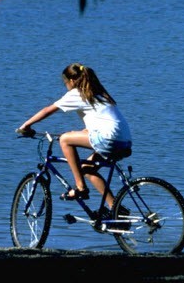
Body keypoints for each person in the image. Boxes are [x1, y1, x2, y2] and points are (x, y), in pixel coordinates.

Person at [17, 63, 132, 208]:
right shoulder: (98, 93)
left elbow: (48, 110)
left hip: (109, 138)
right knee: (86, 169)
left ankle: (81, 188)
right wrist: (82, 132)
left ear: (71, 81)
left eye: (65, 82)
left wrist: (25, 126)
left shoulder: (78, 93)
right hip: (124, 140)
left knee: (65, 139)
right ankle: (116, 209)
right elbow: (103, 123)